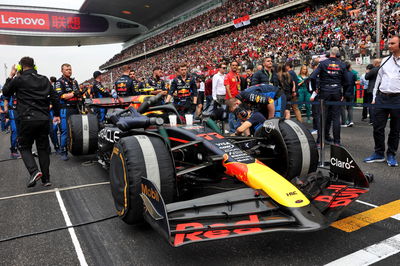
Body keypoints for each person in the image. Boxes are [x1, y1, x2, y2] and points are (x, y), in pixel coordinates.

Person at [2, 56, 60, 187]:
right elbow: (55, 98)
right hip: (44, 119)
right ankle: (46, 179)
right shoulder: (45, 79)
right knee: (43, 149)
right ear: (34, 66)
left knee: (24, 146)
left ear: (21, 67)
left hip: (27, 119)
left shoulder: (18, 79)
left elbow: (5, 91)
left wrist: (11, 75)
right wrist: (56, 114)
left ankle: (34, 171)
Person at [364, 36, 400, 167]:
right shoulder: (385, 60)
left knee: (395, 129)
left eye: (392, 43)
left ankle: (391, 154)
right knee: (377, 127)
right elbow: (378, 81)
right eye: (388, 43)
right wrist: (374, 98)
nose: (389, 45)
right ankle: (379, 153)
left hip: (397, 99)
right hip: (381, 98)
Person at [310, 47, 348, 146]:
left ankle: (320, 141)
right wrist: (344, 93)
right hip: (336, 92)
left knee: (322, 116)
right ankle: (337, 142)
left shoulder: (323, 63)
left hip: (324, 91)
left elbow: (312, 77)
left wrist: (315, 89)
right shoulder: (342, 64)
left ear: (329, 53)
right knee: (336, 117)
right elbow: (347, 81)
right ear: (338, 54)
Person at [55, 63, 80, 161]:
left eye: (70, 69)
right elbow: (62, 96)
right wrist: (74, 93)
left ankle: (75, 149)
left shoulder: (74, 81)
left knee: (76, 130)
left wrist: (81, 93)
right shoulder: (59, 82)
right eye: (66, 69)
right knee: (65, 131)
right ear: (62, 71)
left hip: (75, 108)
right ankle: (63, 151)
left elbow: (78, 94)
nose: (69, 71)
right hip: (65, 109)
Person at [224, 61, 241, 132]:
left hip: (237, 98)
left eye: (236, 65)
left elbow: (238, 86)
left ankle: (237, 130)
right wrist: (231, 98)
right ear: (230, 66)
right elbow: (227, 88)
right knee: (232, 115)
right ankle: (232, 131)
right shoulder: (228, 76)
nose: (234, 66)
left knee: (237, 114)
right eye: (233, 65)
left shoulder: (237, 75)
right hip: (231, 98)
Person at [364, 59, 382, 124]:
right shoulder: (382, 69)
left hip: (372, 89)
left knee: (371, 105)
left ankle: (372, 120)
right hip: (380, 89)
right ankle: (378, 119)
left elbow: (366, 77)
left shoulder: (373, 70)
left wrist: (367, 72)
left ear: (375, 63)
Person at [341, 62, 357, 127]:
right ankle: (350, 121)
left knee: (342, 108)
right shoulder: (353, 74)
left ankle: (344, 122)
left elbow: (341, 84)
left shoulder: (342, 74)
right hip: (351, 92)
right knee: (350, 108)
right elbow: (355, 82)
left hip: (343, 93)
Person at [48, 76, 60, 153]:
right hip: (43, 113)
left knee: (53, 130)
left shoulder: (54, 88)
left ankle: (56, 146)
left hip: (52, 112)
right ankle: (47, 149)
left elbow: (56, 99)